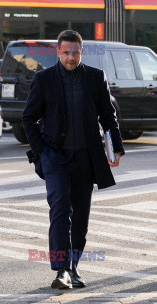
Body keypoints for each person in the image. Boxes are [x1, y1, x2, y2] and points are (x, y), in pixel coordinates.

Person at [22, 30, 125, 289]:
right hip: (55, 157)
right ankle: (61, 270)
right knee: (59, 212)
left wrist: (116, 149)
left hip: (86, 158)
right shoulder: (43, 79)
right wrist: (41, 153)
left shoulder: (95, 77)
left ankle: (74, 267)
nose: (70, 57)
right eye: (66, 52)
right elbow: (28, 118)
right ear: (58, 52)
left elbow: (108, 118)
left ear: (82, 51)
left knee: (80, 217)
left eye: (75, 52)